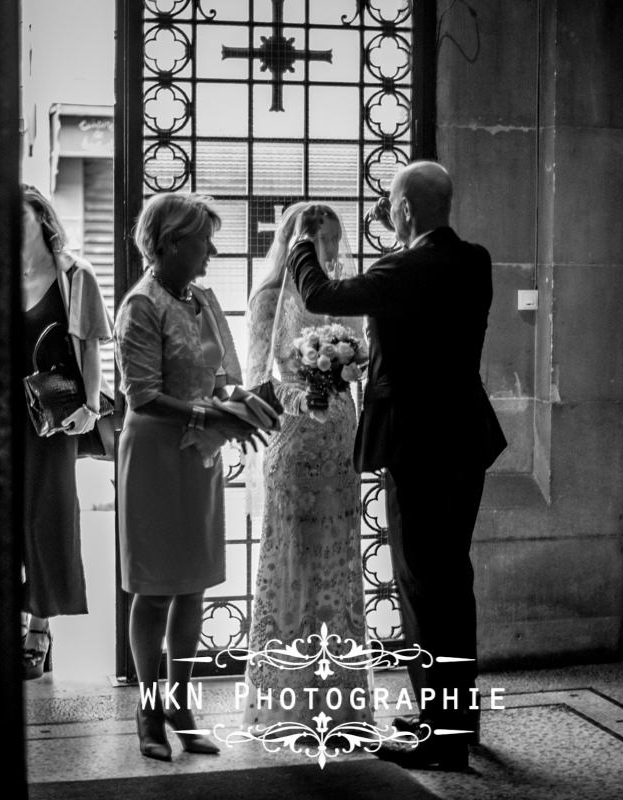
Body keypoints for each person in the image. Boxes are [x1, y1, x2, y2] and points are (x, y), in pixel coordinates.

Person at [287, 161, 507, 770]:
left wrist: (303, 243)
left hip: (418, 446)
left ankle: (442, 743)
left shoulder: (404, 269)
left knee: (421, 585)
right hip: (464, 437)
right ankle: (452, 718)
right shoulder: (474, 260)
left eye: (390, 201)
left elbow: (320, 295)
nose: (387, 209)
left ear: (406, 209)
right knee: (449, 582)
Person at [115, 192, 260, 761]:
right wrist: (211, 414)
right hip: (153, 457)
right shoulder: (140, 305)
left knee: (194, 583)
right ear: (173, 241)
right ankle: (148, 710)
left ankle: (181, 703)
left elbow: (225, 378)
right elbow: (143, 395)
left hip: (198, 454)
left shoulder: (202, 298)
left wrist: (245, 405)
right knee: (154, 590)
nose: (213, 249)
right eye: (204, 238)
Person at [242, 203, 371, 730]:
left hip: (340, 442)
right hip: (295, 443)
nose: (335, 253)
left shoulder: (342, 298)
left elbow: (362, 362)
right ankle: (287, 700)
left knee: (335, 565)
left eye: (338, 242)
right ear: (302, 243)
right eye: (327, 243)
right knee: (293, 562)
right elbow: (259, 379)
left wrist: (348, 366)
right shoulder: (270, 298)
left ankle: (336, 697)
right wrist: (304, 396)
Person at [19, 184, 113, 680]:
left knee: (48, 516)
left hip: (54, 419)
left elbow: (93, 344)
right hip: (3, 414)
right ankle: (12, 617)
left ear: (42, 220)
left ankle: (40, 625)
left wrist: (92, 407)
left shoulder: (75, 275)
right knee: (4, 516)